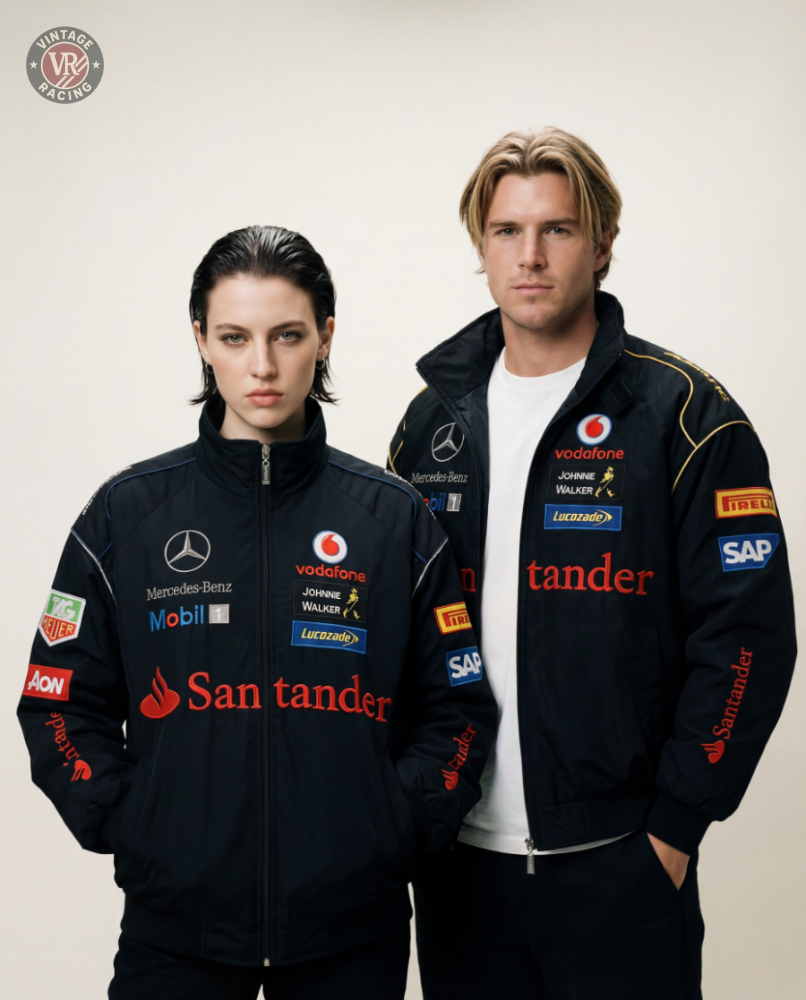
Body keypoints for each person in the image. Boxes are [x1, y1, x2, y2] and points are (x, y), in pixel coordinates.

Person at [18, 225, 496, 1000]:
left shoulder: (394, 520)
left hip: (353, 931)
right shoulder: (125, 515)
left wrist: (395, 824)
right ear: (201, 339)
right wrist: (128, 821)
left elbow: (460, 705)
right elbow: (56, 700)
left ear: (326, 338)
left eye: (288, 335)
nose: (263, 366)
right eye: (236, 337)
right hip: (175, 931)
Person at [387, 129, 797, 999]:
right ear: (480, 248)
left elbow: (749, 637)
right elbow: (391, 635)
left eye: (558, 230)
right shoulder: (431, 426)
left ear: (604, 244)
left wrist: (675, 829)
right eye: (506, 231)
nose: (529, 256)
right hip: (458, 871)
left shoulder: (686, 417)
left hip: (620, 867)